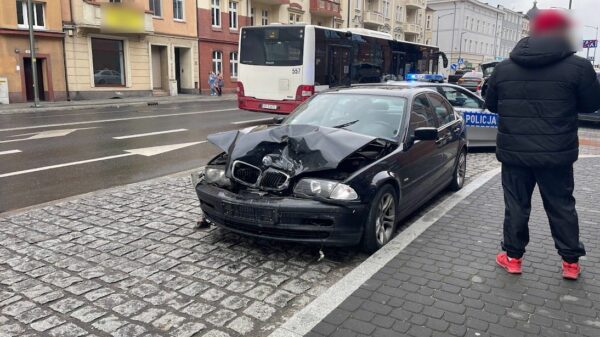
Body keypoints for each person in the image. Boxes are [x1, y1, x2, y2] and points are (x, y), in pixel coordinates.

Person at [485, 9, 600, 280]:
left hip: (515, 154)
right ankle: (570, 262)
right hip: (556, 154)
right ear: (562, 31)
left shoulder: (504, 68)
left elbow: (491, 105)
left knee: (516, 205)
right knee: (561, 205)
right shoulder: (579, 67)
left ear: (532, 31)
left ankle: (513, 258)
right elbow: (592, 104)